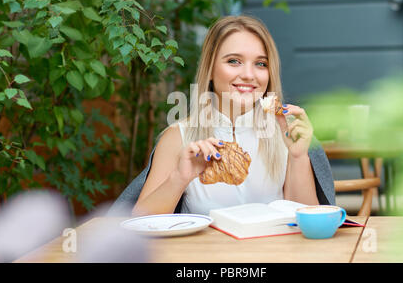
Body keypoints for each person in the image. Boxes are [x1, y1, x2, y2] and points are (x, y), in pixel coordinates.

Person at [131, 15, 333, 217]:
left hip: (272, 249)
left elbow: (309, 222)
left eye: (261, 64)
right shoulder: (178, 137)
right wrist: (179, 178)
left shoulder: (286, 134)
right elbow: (140, 223)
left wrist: (298, 157)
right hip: (206, 249)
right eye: (234, 61)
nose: (248, 74)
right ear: (209, 69)